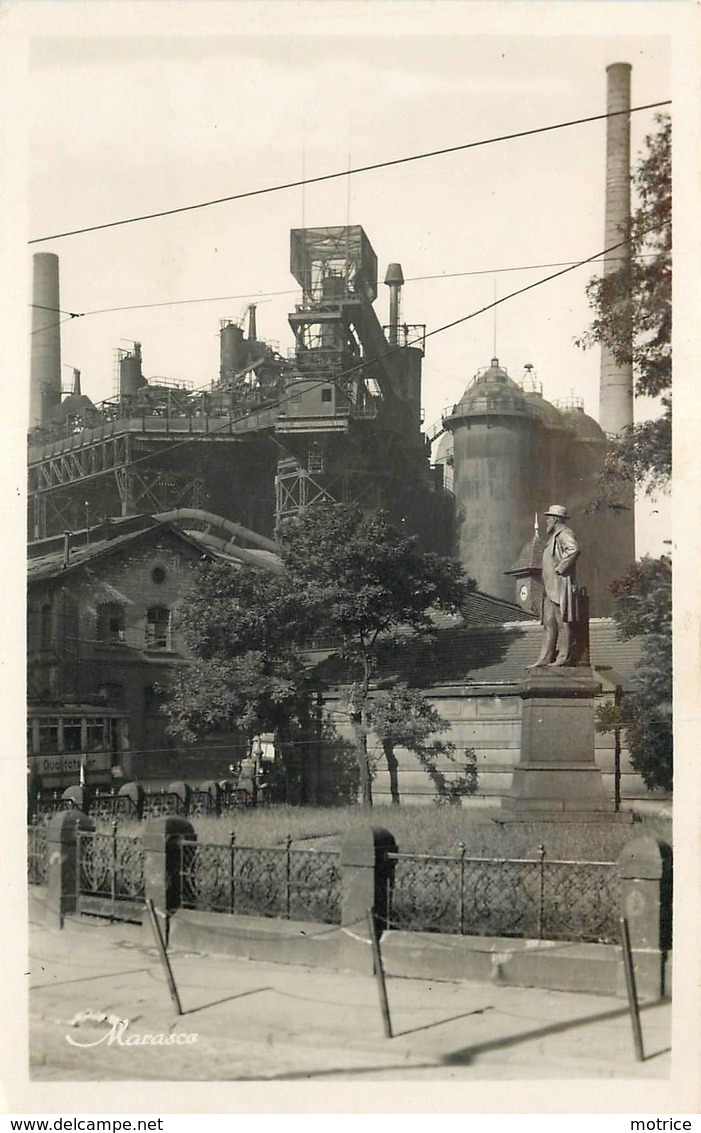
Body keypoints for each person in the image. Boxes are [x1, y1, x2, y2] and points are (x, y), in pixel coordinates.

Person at [529, 504, 580, 668]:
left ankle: (563, 657)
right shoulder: (553, 538)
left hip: (560, 585)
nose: (547, 522)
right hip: (550, 588)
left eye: (549, 518)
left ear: (556, 519)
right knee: (548, 623)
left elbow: (573, 550)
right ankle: (544, 658)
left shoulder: (564, 533)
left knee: (562, 620)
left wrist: (560, 568)